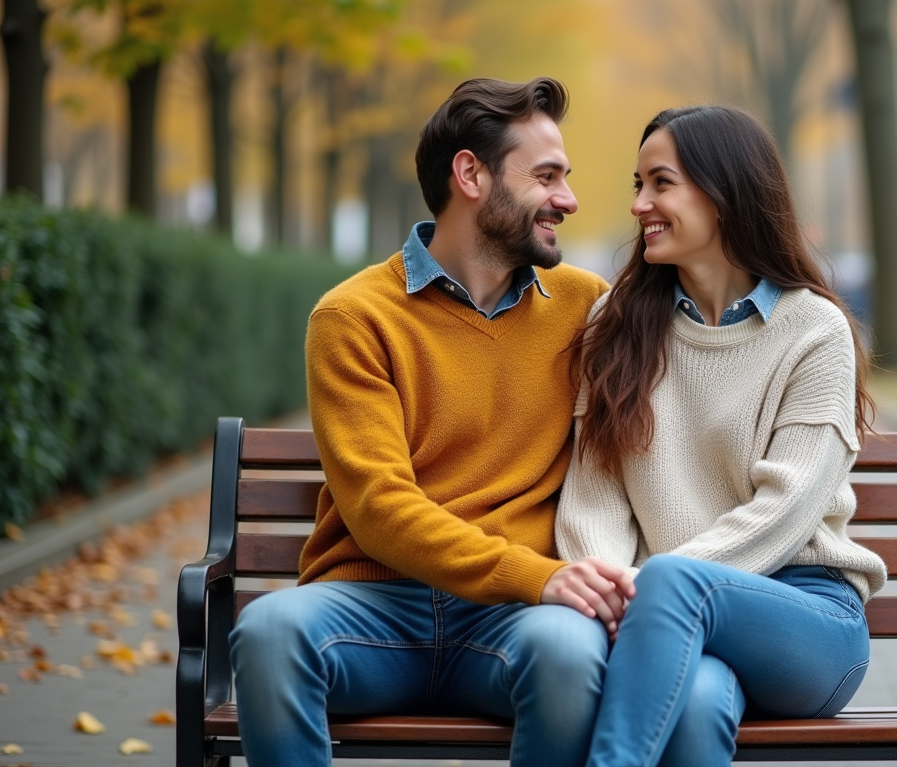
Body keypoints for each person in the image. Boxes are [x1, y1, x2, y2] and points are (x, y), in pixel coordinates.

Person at [229, 77, 636, 767]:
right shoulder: (354, 317)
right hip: (374, 611)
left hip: (513, 624)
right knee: (268, 631)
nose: (567, 200)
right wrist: (533, 574)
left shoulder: (586, 307)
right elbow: (378, 508)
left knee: (570, 649)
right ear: (470, 174)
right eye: (546, 176)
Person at [556, 105, 888, 767]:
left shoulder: (813, 331)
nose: (639, 204)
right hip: (664, 618)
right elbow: (592, 496)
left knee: (677, 584)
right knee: (700, 702)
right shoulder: (613, 326)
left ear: (725, 193)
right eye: (637, 184)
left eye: (661, 183)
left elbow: (785, 513)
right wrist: (621, 591)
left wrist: (652, 589)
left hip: (805, 619)